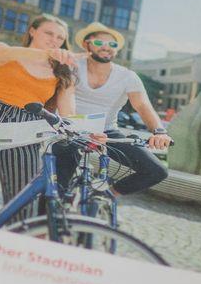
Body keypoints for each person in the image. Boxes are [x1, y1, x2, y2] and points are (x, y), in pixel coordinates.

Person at [0, 14, 77, 223]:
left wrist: (87, 132)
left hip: (26, 129)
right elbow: (4, 52)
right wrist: (47, 54)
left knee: (23, 207)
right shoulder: (2, 49)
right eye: (49, 33)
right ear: (32, 31)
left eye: (60, 38)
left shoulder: (63, 71)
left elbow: (69, 113)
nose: (54, 40)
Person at [58, 22, 171, 202]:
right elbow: (67, 98)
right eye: (99, 42)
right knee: (56, 188)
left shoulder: (127, 76)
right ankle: (48, 215)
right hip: (70, 129)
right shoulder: (72, 66)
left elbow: (142, 105)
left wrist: (159, 131)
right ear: (87, 45)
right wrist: (77, 128)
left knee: (156, 171)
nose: (106, 47)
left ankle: (103, 196)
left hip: (106, 132)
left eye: (112, 44)